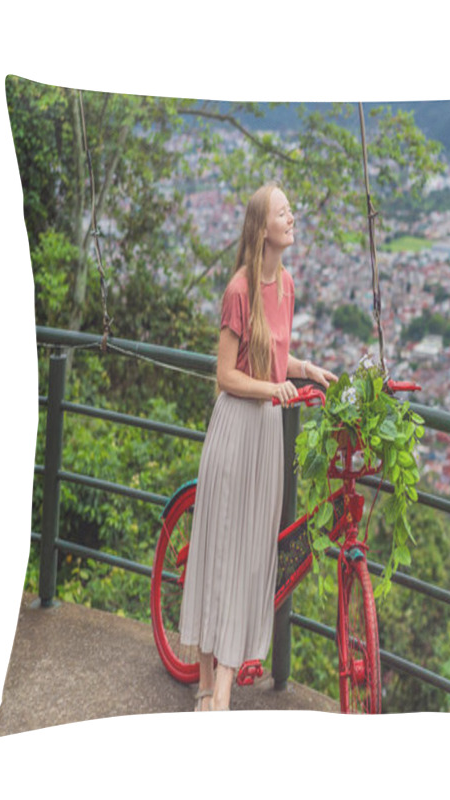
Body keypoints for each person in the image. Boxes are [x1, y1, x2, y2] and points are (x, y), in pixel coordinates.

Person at [178, 182, 337, 711]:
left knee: (250, 558)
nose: (292, 217)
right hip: (237, 427)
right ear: (261, 227)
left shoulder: (286, 286)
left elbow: (272, 356)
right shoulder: (239, 290)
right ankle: (212, 687)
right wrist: (273, 388)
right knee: (221, 548)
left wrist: (304, 368)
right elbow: (226, 375)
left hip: (268, 433)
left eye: (292, 210)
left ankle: (217, 687)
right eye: (283, 212)